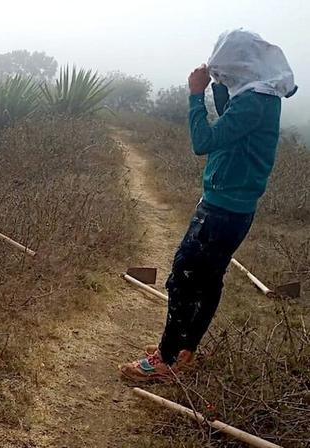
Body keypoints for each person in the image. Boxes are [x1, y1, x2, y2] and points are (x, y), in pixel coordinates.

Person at [120, 29, 297, 382]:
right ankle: (184, 353)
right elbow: (232, 112)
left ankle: (166, 360)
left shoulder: (254, 102)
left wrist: (195, 95)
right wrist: (216, 84)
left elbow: (204, 141)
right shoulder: (262, 95)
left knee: (183, 280)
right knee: (208, 281)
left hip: (220, 210)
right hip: (235, 208)